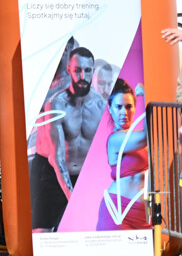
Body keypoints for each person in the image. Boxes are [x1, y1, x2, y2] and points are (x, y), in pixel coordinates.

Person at [34, 46, 105, 231]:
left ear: (93, 71)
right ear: (69, 70)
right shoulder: (56, 104)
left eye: (87, 70)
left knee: (91, 229)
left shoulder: (101, 106)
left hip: (86, 177)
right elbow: (56, 157)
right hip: (56, 175)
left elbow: (104, 153)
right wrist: (73, 198)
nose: (82, 76)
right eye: (77, 70)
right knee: (40, 232)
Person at [99, 79, 149, 231]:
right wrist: (147, 96)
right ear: (110, 108)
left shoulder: (134, 138)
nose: (124, 113)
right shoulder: (115, 139)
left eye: (128, 106)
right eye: (118, 107)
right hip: (118, 212)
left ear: (134, 108)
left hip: (143, 214)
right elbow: (145, 136)